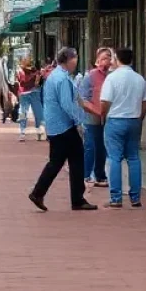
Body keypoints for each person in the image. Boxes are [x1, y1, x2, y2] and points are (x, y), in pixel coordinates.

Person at [28, 47, 95, 213]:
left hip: (57, 125)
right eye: (75, 58)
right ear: (70, 60)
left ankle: (41, 192)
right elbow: (67, 104)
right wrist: (79, 121)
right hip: (64, 126)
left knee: (60, 161)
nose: (76, 62)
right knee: (70, 159)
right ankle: (71, 198)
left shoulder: (57, 76)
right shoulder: (62, 79)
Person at [100, 48, 146, 208]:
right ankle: (135, 197)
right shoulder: (139, 79)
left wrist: (104, 116)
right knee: (133, 158)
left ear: (116, 59)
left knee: (114, 158)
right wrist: (140, 116)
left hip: (115, 120)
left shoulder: (111, 78)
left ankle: (116, 197)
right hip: (133, 120)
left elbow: (105, 101)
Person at [78, 48, 112, 186]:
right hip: (92, 116)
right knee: (90, 145)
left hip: (108, 117)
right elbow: (83, 98)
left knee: (102, 146)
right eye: (104, 58)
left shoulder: (113, 76)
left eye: (109, 57)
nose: (107, 60)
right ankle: (86, 174)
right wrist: (96, 111)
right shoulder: (90, 76)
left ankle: (100, 175)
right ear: (98, 60)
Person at [17, 57, 45, 142]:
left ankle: (22, 132)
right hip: (34, 92)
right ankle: (39, 132)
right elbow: (37, 83)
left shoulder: (20, 71)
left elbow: (18, 82)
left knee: (23, 112)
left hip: (24, 93)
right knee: (38, 112)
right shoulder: (36, 72)